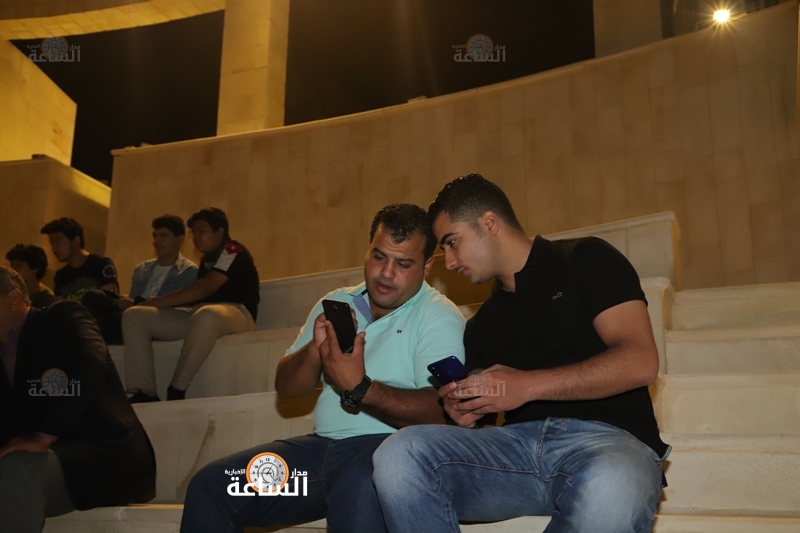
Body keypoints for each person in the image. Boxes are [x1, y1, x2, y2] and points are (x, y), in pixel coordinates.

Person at [373, 175, 670, 533]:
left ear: (489, 223)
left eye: (452, 243)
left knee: (613, 485)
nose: (448, 262)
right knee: (398, 453)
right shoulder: (482, 324)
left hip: (609, 443)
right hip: (513, 453)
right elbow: (484, 421)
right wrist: (464, 412)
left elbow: (641, 360)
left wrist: (526, 386)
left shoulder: (584, 258)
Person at [180, 204, 466, 533]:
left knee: (357, 491)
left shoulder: (437, 315)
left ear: (427, 266)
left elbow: (442, 411)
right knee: (215, 486)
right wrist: (315, 350)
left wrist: (360, 387)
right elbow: (287, 388)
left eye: (403, 264)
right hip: (315, 459)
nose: (386, 273)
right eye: (378, 256)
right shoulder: (337, 302)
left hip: (383, 453)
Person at [0, 266, 156, 533]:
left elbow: (89, 368)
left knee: (18, 469)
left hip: (102, 455)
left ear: (13, 297)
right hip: (45, 462)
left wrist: (43, 435)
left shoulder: (63, 315)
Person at [122, 207, 259, 402]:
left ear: (219, 232)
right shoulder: (207, 259)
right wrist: (148, 305)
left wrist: (156, 301)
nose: (196, 237)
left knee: (207, 315)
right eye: (194, 232)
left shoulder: (232, 250)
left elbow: (207, 287)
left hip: (238, 313)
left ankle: (177, 388)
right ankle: (144, 392)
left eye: (202, 231)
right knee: (135, 315)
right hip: (201, 314)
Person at [80, 215, 199, 345]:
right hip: (131, 314)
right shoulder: (142, 268)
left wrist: (133, 305)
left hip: (157, 321)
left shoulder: (188, 271)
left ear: (180, 239)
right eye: (155, 236)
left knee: (105, 321)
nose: (156, 241)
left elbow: (175, 309)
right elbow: (132, 298)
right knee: (94, 297)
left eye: (163, 236)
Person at [40, 218, 119, 302]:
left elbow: (109, 302)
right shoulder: (61, 275)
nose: (54, 249)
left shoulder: (101, 264)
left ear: (76, 241)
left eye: (58, 242)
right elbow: (60, 306)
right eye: (52, 244)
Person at [5, 244, 55, 309]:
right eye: (12, 266)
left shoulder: (46, 298)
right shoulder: (10, 293)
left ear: (35, 267)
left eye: (19, 265)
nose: (14, 270)